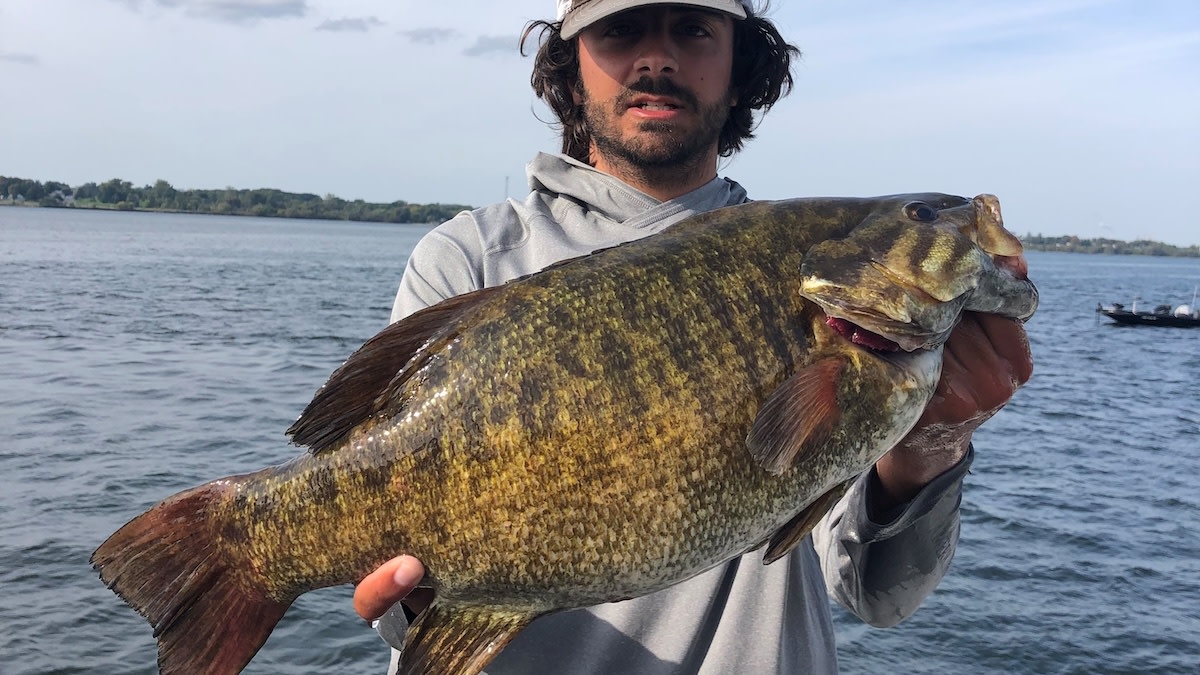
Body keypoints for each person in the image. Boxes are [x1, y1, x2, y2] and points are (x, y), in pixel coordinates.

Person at [355, 1, 1034, 673]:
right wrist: (411, 597)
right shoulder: (470, 260)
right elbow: (397, 613)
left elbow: (876, 594)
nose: (657, 59)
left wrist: (932, 446)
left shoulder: (815, 297)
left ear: (740, 69)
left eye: (693, 30)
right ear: (569, 71)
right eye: (620, 30)